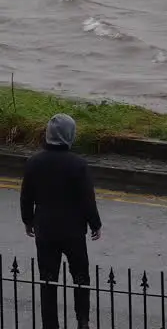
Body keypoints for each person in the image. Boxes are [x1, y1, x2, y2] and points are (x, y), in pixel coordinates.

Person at [20, 114, 102, 329]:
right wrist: (95, 223)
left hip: (45, 229)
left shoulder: (34, 162)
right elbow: (87, 198)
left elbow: (26, 196)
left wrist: (28, 220)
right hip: (73, 230)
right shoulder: (78, 165)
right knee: (81, 277)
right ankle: (82, 319)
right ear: (70, 135)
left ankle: (50, 324)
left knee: (48, 280)